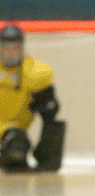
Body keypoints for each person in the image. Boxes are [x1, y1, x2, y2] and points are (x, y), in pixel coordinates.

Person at [1, 24, 65, 173]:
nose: (10, 53)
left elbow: (51, 111)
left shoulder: (33, 72)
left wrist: (48, 145)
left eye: (15, 48)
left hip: (13, 130)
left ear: (22, 48)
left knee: (17, 149)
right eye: (5, 48)